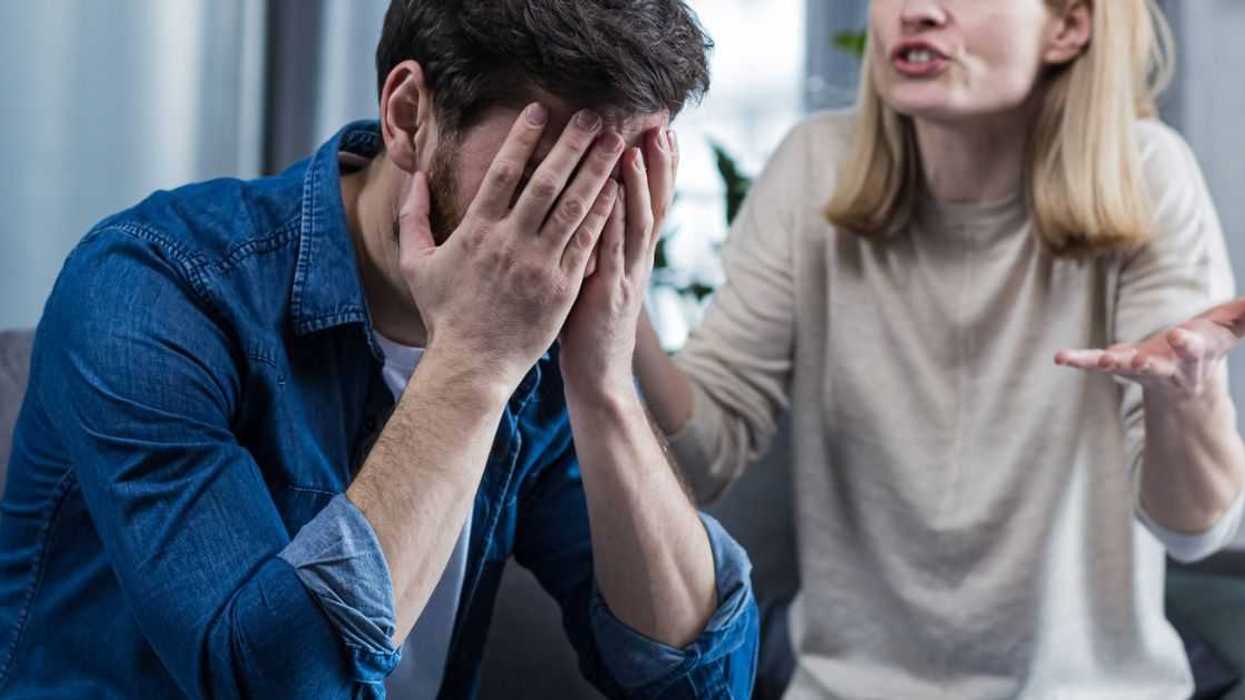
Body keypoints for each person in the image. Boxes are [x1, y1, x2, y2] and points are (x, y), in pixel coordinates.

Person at [0, 2, 760, 698]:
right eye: (547, 176)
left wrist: (603, 380)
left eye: (617, 179)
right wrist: (474, 359)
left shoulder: (551, 334)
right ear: (407, 115)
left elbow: (700, 684)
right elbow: (278, 684)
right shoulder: (153, 285)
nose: (576, 227)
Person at [634, 0, 1245, 697]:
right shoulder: (813, 166)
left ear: (1069, 27)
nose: (916, 11)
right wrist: (625, 318)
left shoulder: (1146, 172)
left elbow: (1191, 533)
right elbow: (702, 458)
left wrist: (1184, 400)